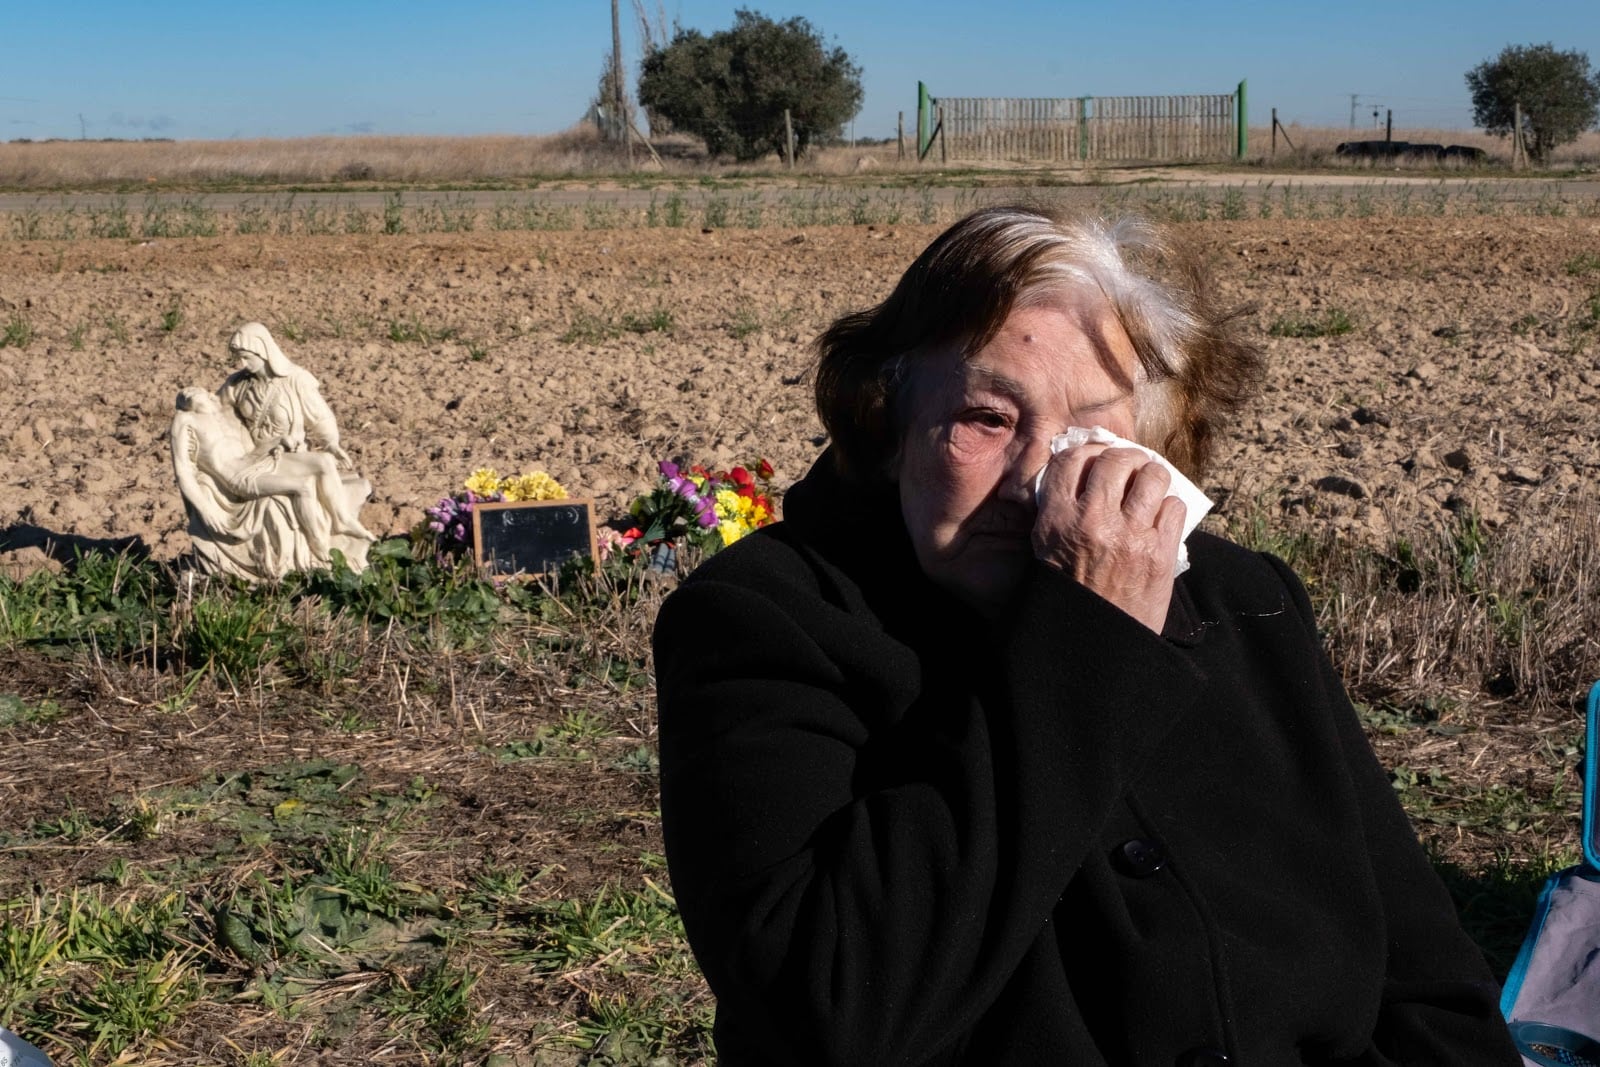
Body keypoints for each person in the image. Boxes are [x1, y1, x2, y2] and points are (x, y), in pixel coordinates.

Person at [652, 207, 1521, 1066]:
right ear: (887, 425)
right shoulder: (765, 619)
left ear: (1157, 440)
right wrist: (1089, 635)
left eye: (1090, 431)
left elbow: (1426, 980)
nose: (1036, 477)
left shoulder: (1245, 601)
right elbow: (832, 1010)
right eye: (987, 418)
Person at [171, 386, 373, 580]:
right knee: (302, 486)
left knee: (323, 461)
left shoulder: (226, 416)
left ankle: (341, 520)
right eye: (186, 392)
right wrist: (206, 510)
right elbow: (183, 471)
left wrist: (277, 443)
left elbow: (251, 451)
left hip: (256, 463)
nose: (190, 390)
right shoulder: (185, 420)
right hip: (239, 479)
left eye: (196, 389)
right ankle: (319, 545)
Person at [221, 322, 354, 468]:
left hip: (285, 457)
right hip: (247, 457)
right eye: (238, 358)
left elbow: (320, 418)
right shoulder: (237, 383)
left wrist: (331, 444)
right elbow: (216, 410)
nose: (242, 364)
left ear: (262, 351)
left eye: (246, 357)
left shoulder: (296, 380)